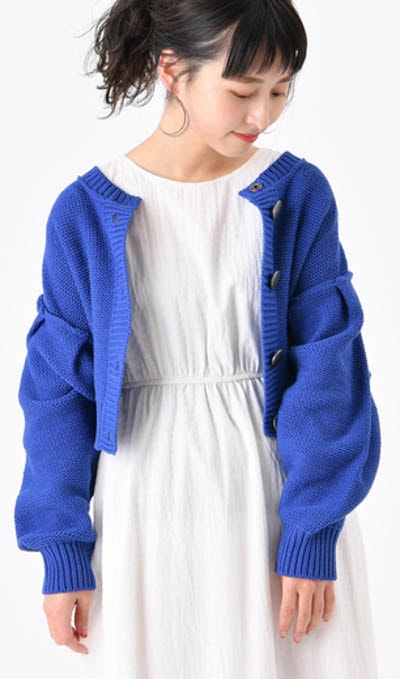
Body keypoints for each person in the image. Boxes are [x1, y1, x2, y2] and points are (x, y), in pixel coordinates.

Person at [14, 1, 381, 677]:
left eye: (280, 91)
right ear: (172, 70)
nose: (263, 115)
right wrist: (62, 548)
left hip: (277, 506)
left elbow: (328, 367)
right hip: (144, 509)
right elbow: (56, 393)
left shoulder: (298, 194)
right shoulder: (84, 212)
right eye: (242, 92)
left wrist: (312, 529)